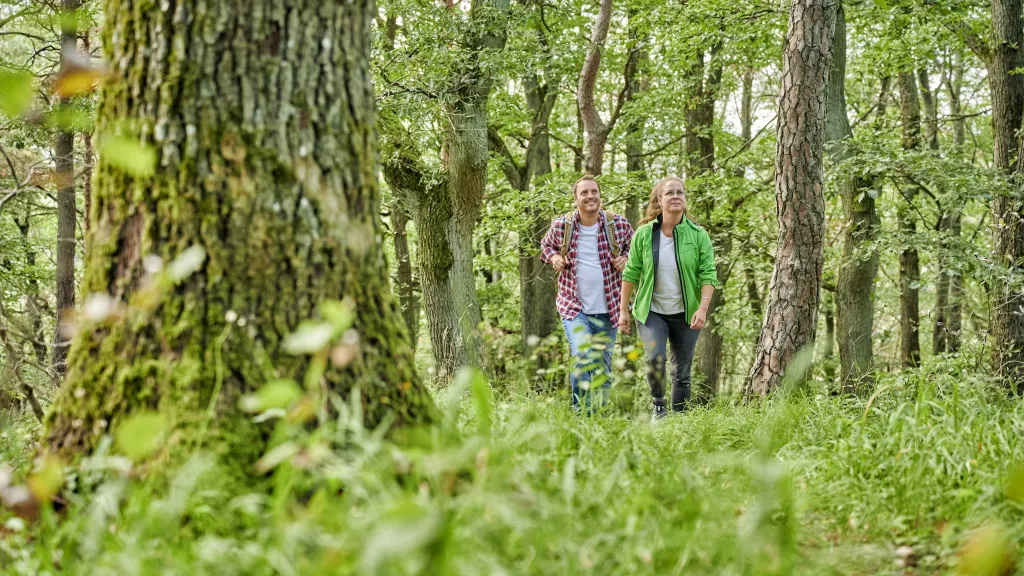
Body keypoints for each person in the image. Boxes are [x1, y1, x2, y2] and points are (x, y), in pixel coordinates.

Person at [619, 176, 718, 421]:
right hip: (652, 311)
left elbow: (708, 274)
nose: (676, 196)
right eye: (670, 193)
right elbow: (631, 272)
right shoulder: (644, 234)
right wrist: (623, 311)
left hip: (687, 312)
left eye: (680, 192)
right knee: (655, 360)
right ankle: (659, 407)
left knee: (681, 371)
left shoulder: (698, 235)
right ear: (659, 201)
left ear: (685, 200)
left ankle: (680, 420)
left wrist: (703, 308)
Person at [540, 175, 635, 413]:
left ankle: (598, 419)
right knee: (582, 356)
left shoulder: (618, 225)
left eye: (594, 191)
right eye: (584, 193)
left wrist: (626, 259)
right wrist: (554, 257)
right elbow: (546, 245)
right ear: (576, 200)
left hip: (609, 309)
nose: (590, 196)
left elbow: (637, 250)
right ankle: (579, 414)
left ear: (600, 197)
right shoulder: (563, 226)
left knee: (602, 369)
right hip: (574, 308)